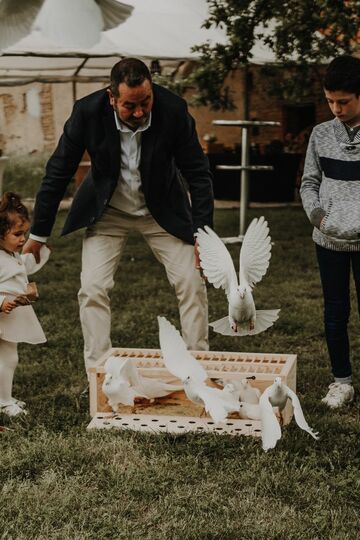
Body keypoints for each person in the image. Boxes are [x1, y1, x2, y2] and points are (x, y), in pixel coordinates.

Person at [23, 58, 213, 374]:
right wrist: (38, 235)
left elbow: (198, 173)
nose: (139, 112)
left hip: (162, 210)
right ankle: (99, 373)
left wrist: (202, 234)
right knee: (93, 287)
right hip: (108, 212)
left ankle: (197, 372)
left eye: (145, 102)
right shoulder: (86, 113)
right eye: (129, 106)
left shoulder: (174, 110)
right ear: (112, 97)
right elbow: (58, 172)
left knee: (192, 281)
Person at [300, 55, 360, 408]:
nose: (336, 108)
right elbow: (309, 182)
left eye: (344, 101)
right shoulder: (321, 135)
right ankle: (341, 382)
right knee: (335, 312)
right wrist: (319, 217)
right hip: (329, 240)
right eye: (330, 101)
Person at [0, 192, 49, 416]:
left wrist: (39, 250)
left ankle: (4, 398)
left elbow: (22, 270)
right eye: (17, 234)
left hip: (10, 317)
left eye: (24, 234)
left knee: (10, 357)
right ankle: (3, 401)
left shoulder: (11, 255)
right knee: (8, 358)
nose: (22, 239)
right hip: (3, 314)